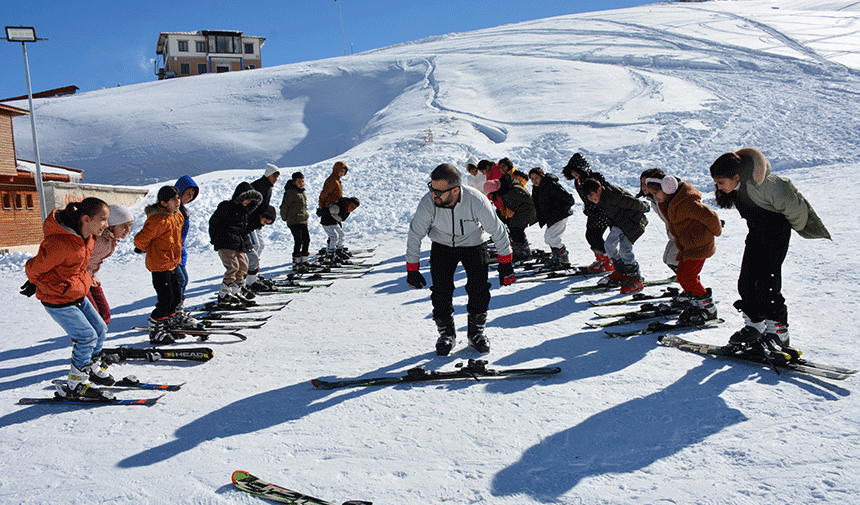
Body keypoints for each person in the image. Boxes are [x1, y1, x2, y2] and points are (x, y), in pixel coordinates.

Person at [709, 147, 830, 354]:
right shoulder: (736, 188)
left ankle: (779, 334)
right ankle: (755, 327)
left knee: (766, 284)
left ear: (736, 176)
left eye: (721, 182)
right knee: (746, 282)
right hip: (756, 235)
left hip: (776, 234)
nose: (718, 187)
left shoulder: (765, 184)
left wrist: (794, 227)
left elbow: (794, 205)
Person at [406, 163, 515, 356]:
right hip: (442, 246)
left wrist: (505, 262)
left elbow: (498, 231)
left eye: (439, 191)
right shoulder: (428, 203)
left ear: (455, 189)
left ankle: (476, 334)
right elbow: (415, 234)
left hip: (474, 245)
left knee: (479, 288)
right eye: (432, 189)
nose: (434, 195)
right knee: (440, 291)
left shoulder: (476, 200)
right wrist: (412, 269)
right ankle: (446, 335)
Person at [23, 197, 116, 399]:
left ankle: (88, 368)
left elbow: (78, 266)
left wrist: (86, 279)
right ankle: (76, 382)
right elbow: (35, 267)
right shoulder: (60, 244)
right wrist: (35, 281)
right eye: (102, 219)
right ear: (85, 219)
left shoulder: (87, 238)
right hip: (58, 299)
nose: (106, 225)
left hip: (76, 293)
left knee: (100, 328)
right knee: (86, 336)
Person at [644, 172, 722, 324]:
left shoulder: (687, 203)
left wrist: (717, 231)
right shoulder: (668, 203)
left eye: (656, 192)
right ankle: (694, 302)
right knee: (681, 275)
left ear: (668, 187)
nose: (654, 197)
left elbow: (711, 217)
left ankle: (708, 308)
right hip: (688, 245)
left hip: (700, 245)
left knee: (689, 276)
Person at [134, 186, 187, 344]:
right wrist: (145, 249)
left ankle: (169, 324)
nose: (177, 202)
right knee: (166, 299)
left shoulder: (177, 216)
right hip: (159, 265)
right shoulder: (158, 220)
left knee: (176, 297)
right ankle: (155, 327)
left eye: (178, 198)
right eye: (173, 200)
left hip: (172, 263)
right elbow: (140, 240)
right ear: (163, 203)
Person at [581, 178, 650, 294]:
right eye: (588, 197)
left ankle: (635, 278)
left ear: (599, 190)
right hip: (619, 223)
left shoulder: (613, 195)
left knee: (624, 250)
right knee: (609, 245)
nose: (591, 199)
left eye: (592, 195)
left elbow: (632, 202)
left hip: (633, 223)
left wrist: (645, 207)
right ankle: (621, 272)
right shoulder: (602, 198)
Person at [209, 182, 262, 305]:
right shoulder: (226, 207)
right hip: (225, 242)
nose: (248, 202)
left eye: (250, 200)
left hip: (237, 244)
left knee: (243, 267)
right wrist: (215, 240)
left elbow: (243, 232)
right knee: (232, 268)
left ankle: (234, 291)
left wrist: (247, 246)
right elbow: (214, 223)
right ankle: (223, 295)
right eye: (247, 198)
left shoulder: (244, 213)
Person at [562, 153, 614, 273]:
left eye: (576, 171)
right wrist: (588, 208)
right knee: (590, 236)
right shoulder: (578, 182)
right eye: (572, 171)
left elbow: (605, 192)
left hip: (602, 211)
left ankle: (608, 261)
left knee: (595, 236)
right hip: (592, 213)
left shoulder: (594, 177)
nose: (574, 174)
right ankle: (601, 259)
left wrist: (597, 206)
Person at [86, 203, 134, 325]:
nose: (128, 230)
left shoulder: (110, 238)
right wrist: (87, 274)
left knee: (104, 313)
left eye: (129, 226)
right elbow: (78, 258)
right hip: (80, 279)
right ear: (111, 226)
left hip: (90, 277)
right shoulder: (98, 241)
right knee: (92, 315)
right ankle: (83, 342)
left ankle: (98, 339)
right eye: (124, 226)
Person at [528, 167, 575, 268]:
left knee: (553, 238)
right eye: (532, 179)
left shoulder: (551, 185)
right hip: (551, 217)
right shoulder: (537, 188)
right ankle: (556, 256)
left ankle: (563, 257)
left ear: (542, 176)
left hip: (559, 216)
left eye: (536, 178)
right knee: (548, 238)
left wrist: (560, 211)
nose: (534, 181)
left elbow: (569, 199)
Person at [244, 164, 280, 294]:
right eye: (274, 176)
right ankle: (248, 278)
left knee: (261, 245)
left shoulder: (268, 187)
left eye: (277, 177)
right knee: (255, 246)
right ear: (269, 174)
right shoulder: (259, 185)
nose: (276, 179)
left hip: (258, 222)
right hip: (251, 222)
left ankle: (252, 272)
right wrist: (254, 219)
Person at [638, 168, 679, 275]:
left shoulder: (664, 199)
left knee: (672, 260)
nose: (644, 186)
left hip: (682, 235)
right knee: (667, 259)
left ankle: (690, 280)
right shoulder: (654, 201)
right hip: (673, 235)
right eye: (642, 183)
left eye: (647, 183)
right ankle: (685, 277)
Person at [495, 171, 537, 260]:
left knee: (516, 229)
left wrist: (516, 211)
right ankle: (518, 248)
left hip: (527, 212)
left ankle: (524, 250)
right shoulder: (506, 191)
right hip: (520, 212)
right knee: (514, 229)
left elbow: (529, 201)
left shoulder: (514, 189)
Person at [173, 175, 199, 310]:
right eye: (188, 193)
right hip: (171, 252)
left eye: (192, 195)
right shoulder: (172, 211)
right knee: (180, 280)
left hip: (179, 251)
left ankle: (177, 308)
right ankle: (174, 309)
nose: (190, 196)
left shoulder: (182, 210)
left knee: (184, 280)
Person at [280, 171, 310, 269]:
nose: (301, 184)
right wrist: (285, 218)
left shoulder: (302, 191)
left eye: (302, 181)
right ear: (294, 182)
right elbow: (284, 206)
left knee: (307, 239)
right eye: (299, 182)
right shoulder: (290, 192)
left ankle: (304, 261)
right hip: (294, 221)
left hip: (302, 220)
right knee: (298, 240)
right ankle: (296, 262)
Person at [318, 196, 361, 264]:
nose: (352, 209)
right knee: (334, 237)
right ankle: (329, 253)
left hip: (334, 222)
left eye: (354, 208)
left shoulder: (347, 209)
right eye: (351, 206)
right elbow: (326, 210)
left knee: (342, 235)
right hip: (327, 222)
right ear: (348, 203)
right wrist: (320, 212)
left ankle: (338, 250)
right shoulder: (337, 207)